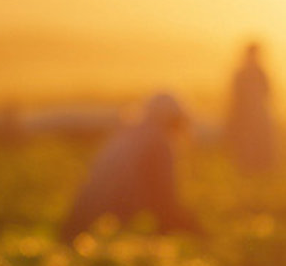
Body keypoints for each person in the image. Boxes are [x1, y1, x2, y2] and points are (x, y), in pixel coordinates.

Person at [60, 92, 202, 242]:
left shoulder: (128, 134)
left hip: (82, 220)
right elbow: (165, 200)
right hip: (107, 226)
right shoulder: (158, 142)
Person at [224, 40, 277, 173]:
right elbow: (236, 96)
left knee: (260, 143)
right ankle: (249, 169)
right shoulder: (243, 73)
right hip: (246, 114)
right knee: (247, 143)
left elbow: (268, 92)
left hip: (258, 113)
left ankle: (260, 169)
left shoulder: (259, 72)